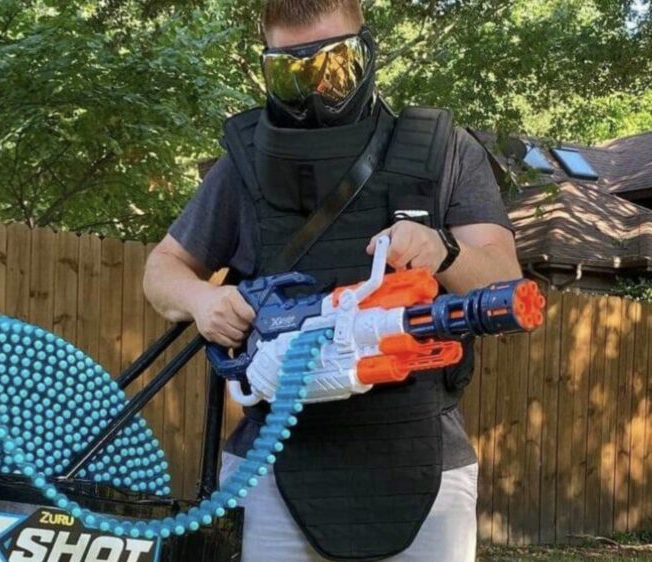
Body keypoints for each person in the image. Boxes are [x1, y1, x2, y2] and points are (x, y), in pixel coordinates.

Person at [142, 1, 522, 561]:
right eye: (292, 74)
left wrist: (445, 252)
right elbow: (162, 270)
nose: (316, 91)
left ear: (367, 51)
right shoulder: (245, 163)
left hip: (424, 458)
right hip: (271, 462)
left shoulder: (443, 151)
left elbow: (505, 282)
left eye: (335, 67)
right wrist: (202, 299)